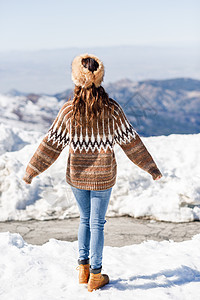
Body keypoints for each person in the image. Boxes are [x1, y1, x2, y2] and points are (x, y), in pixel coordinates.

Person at [23, 53, 162, 292]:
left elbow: (50, 145)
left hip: (77, 177)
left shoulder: (69, 111)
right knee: (97, 223)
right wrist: (151, 168)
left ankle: (83, 269)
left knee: (85, 220)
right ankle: (96, 275)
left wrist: (31, 171)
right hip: (103, 177)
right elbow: (132, 143)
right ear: (100, 78)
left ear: (76, 79)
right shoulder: (112, 110)